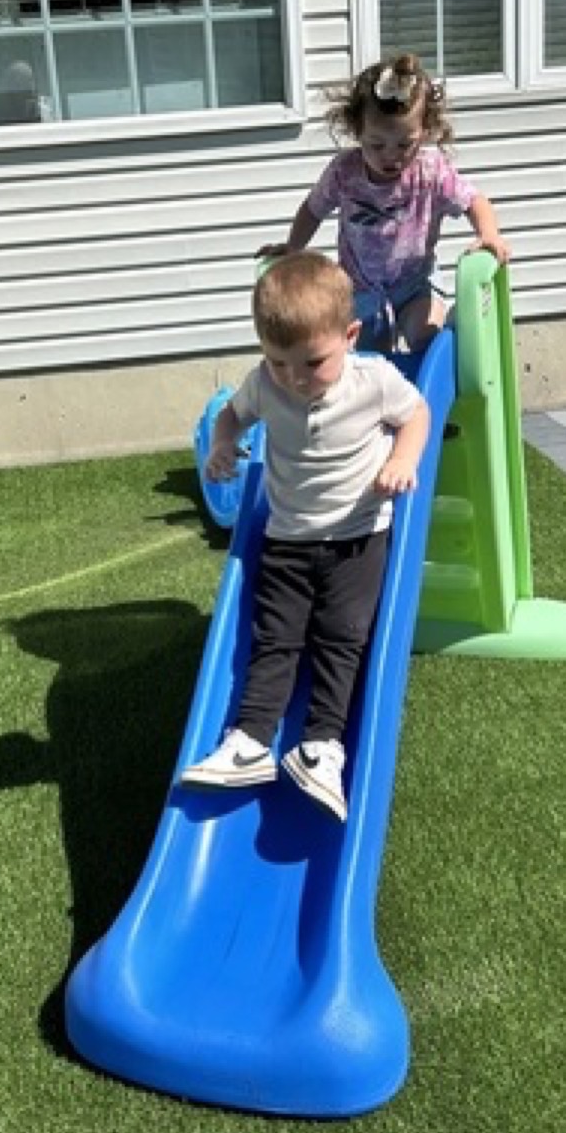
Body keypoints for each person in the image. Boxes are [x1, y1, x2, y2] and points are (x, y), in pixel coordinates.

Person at [180, 252, 430, 821]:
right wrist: (222, 446)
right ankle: (249, 740)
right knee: (277, 639)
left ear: (350, 336)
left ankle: (322, 747)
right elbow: (230, 417)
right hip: (288, 538)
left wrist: (403, 457)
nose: (293, 377)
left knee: (343, 638)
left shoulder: (374, 381)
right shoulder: (265, 385)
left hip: (357, 537)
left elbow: (416, 415)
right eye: (278, 362)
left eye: (311, 362)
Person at [264, 53, 512, 353]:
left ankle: (453, 337)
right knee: (371, 356)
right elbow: (313, 209)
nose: (391, 155)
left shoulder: (430, 172)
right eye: (377, 144)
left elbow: (474, 200)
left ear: (424, 131)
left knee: (424, 335)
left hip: (415, 282)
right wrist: (293, 248)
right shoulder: (345, 172)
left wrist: (487, 235)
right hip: (359, 288)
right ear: (357, 131)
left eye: (405, 144)